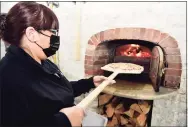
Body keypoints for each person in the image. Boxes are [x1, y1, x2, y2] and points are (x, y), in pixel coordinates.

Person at [0, 2, 115, 127]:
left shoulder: (39, 60)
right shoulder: (8, 76)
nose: (56, 38)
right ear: (32, 34)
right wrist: (64, 121)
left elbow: (56, 91)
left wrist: (90, 82)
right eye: (53, 32)